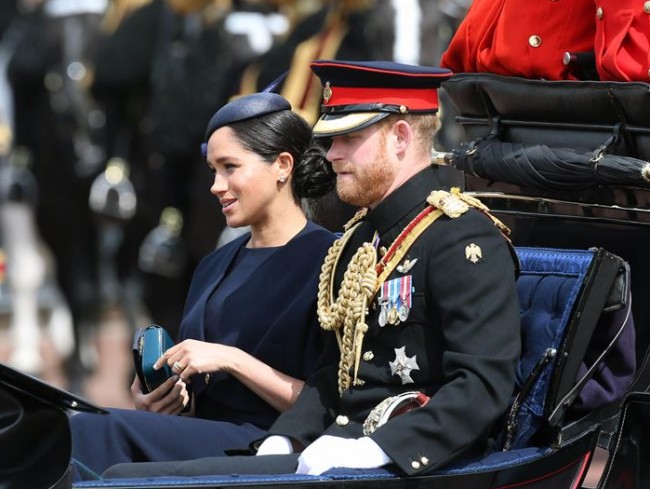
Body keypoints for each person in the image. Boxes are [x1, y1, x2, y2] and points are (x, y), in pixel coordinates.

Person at [103, 59, 522, 479]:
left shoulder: (461, 237)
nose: (332, 154)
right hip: (332, 451)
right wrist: (282, 441)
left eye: (349, 138)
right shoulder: (360, 240)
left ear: (399, 137)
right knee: (118, 473)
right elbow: (332, 376)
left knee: (124, 478)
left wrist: (378, 450)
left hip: (409, 465)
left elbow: (482, 385)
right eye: (331, 139)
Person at [69, 91, 337, 480]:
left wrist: (232, 359)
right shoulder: (213, 266)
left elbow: (334, 400)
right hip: (207, 436)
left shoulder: (330, 258)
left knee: (96, 430)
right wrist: (164, 400)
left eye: (229, 167)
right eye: (213, 169)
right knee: (71, 422)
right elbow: (202, 398)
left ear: (282, 165)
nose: (215, 185)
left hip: (274, 443)